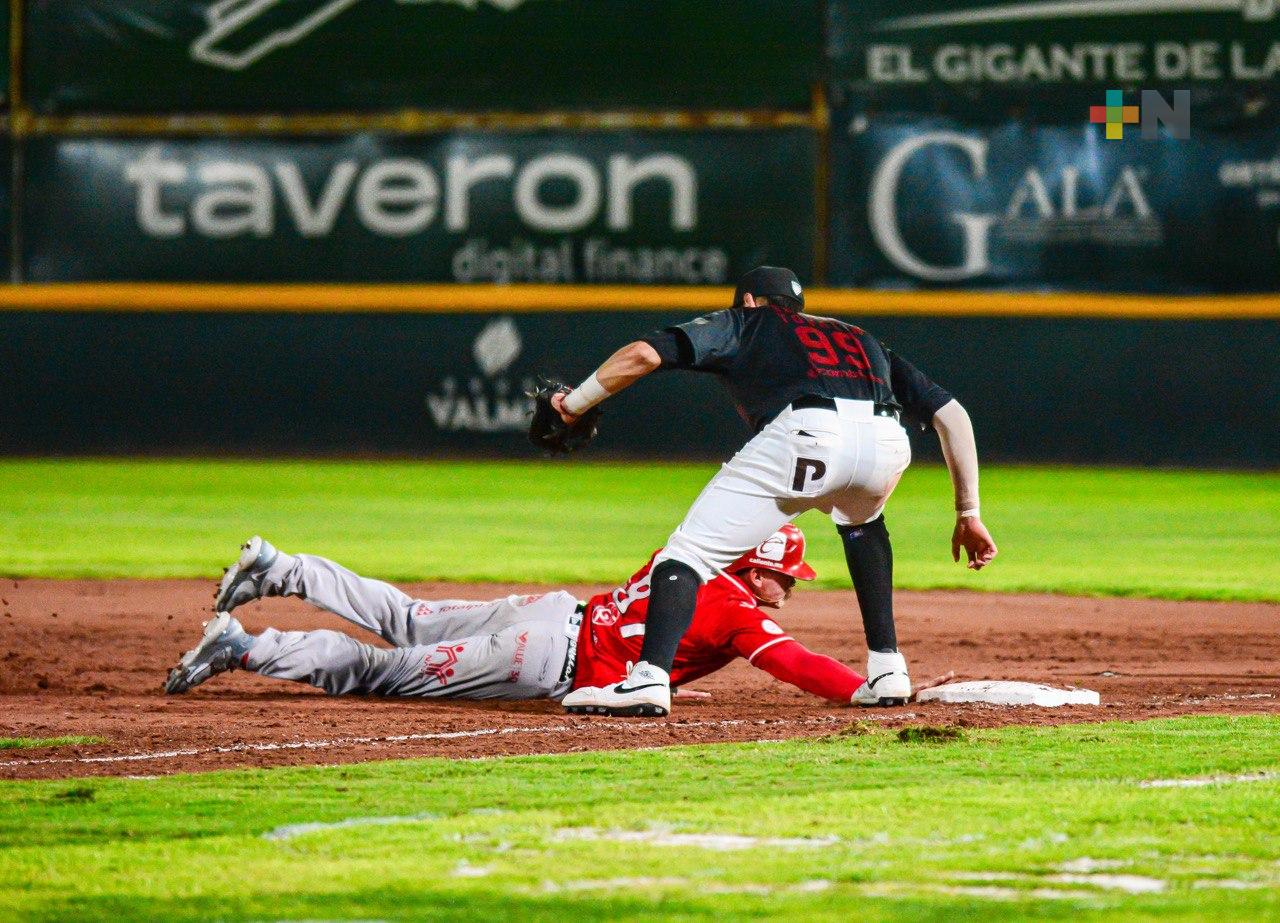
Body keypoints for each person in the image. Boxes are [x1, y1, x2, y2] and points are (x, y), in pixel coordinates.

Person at [550, 266, 997, 716]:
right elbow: (952, 415)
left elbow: (643, 356)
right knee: (862, 525)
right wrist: (968, 513)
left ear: (747, 301)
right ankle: (888, 671)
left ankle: (648, 679)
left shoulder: (748, 322)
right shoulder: (859, 337)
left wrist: (571, 406)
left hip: (808, 432)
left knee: (685, 556)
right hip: (886, 440)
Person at [163, 526, 890, 709]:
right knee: (383, 672)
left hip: (555, 612)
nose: (788, 587)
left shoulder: (686, 553)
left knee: (407, 616)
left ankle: (281, 566)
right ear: (755, 567)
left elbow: (656, 631)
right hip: (542, 660)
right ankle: (244, 647)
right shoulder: (735, 607)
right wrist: (860, 688)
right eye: (782, 574)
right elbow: (794, 662)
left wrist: (655, 673)